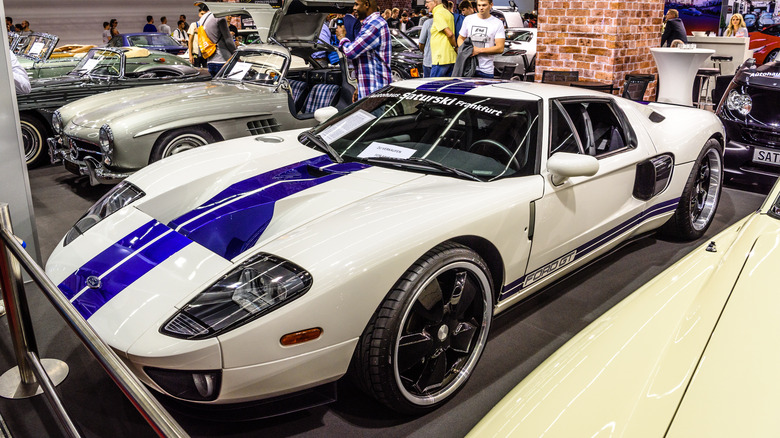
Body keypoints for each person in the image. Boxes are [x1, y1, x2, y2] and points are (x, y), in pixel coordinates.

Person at [335, 0, 392, 101]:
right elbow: (365, 60)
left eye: (357, 4)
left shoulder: (375, 25)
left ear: (366, 4)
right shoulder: (370, 24)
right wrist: (359, 87)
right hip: (370, 90)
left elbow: (351, 52)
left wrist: (342, 38)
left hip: (375, 93)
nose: (354, 8)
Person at [457, 0, 504, 78]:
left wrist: (478, 50)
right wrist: (466, 50)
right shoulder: (468, 19)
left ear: (491, 5)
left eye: (484, 5)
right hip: (467, 67)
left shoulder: (497, 23)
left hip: (486, 70)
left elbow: (500, 48)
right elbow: (460, 38)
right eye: (479, 5)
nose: (481, 8)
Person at [196, 3, 236, 76]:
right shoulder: (219, 17)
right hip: (223, 60)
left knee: (215, 87)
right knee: (227, 86)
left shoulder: (202, 18)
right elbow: (228, 40)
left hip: (210, 61)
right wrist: (235, 53)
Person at [428, 0, 457, 77]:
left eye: (427, 2)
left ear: (434, 2)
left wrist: (455, 46)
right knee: (447, 87)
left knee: (432, 86)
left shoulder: (438, 14)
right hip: (451, 57)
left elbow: (450, 34)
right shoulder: (447, 12)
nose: (426, 5)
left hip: (441, 58)